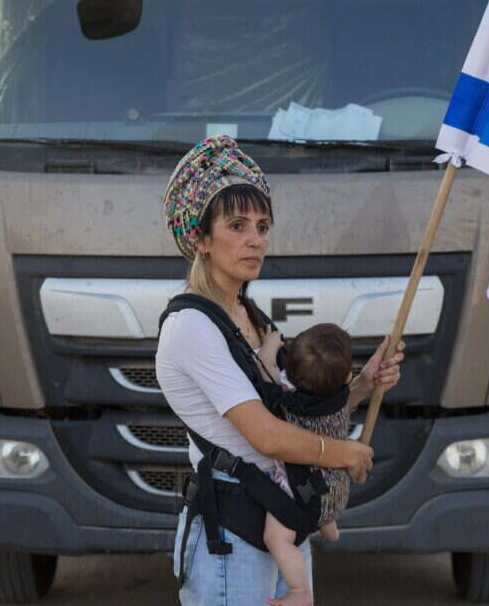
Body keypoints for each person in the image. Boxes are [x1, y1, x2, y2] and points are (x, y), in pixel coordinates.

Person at [156, 135, 406, 606]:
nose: (256, 239)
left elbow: (293, 413)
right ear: (201, 239)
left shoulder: (251, 317)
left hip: (282, 522)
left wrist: (364, 384)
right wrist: (343, 453)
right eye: (237, 225)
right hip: (232, 541)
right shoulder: (192, 327)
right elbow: (266, 436)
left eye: (263, 225)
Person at [258, 323, 356, 606]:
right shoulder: (342, 396)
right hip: (337, 491)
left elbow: (265, 366)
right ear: (348, 376)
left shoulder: (285, 400)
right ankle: (329, 527)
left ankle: (300, 591)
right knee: (326, 475)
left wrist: (271, 344)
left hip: (305, 495)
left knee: (276, 539)